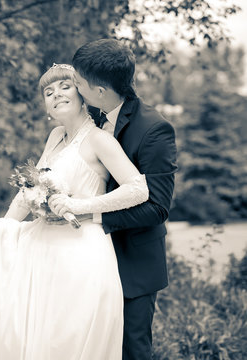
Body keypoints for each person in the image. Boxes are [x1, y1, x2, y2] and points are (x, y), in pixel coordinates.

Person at [0, 63, 149, 360]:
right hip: (42, 238)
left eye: (64, 87)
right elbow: (32, 188)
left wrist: (80, 206)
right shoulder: (56, 136)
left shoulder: (99, 140)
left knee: (57, 340)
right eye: (48, 91)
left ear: (83, 95)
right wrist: (4, 227)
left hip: (78, 247)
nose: (56, 94)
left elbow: (138, 189)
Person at [71, 38, 178, 360]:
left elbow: (158, 207)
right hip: (85, 257)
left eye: (78, 82)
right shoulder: (87, 115)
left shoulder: (155, 129)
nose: (74, 87)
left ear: (100, 90)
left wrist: (93, 216)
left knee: (131, 350)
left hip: (133, 262)